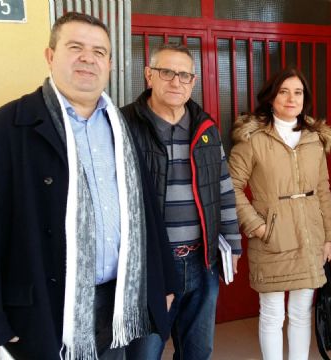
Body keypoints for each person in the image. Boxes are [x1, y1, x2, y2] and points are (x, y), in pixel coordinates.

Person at [0, 12, 176, 360]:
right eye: (75, 47)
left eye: (99, 51)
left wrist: (164, 280)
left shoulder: (122, 129)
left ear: (109, 63)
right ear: (50, 56)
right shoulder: (4, 132)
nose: (88, 59)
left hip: (118, 302)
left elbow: (148, 210)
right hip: (45, 309)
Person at [121, 43, 242, 360]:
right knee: (144, 353)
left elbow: (223, 188)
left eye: (184, 75)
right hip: (151, 266)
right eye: (167, 72)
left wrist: (233, 243)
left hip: (202, 261)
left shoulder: (206, 128)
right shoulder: (124, 125)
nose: (176, 81)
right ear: (149, 75)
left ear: (194, 81)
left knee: (197, 352)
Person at [227, 67, 331, 360]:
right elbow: (230, 187)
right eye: (284, 92)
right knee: (273, 313)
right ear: (271, 97)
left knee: (302, 312)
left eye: (298, 92)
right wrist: (258, 227)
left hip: (310, 236)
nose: (291, 99)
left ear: (305, 99)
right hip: (272, 238)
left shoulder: (314, 138)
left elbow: (323, 189)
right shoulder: (253, 138)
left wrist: (329, 236)